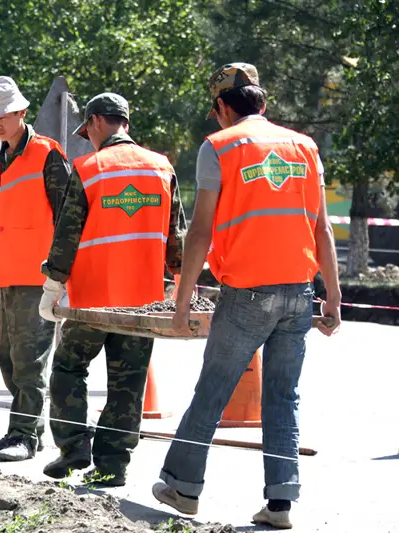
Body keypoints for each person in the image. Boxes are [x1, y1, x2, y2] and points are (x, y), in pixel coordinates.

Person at [151, 63, 342, 529]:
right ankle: (280, 503)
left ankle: (182, 486)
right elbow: (322, 228)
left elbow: (199, 231)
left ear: (222, 107)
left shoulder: (219, 147)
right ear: (263, 103)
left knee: (214, 390)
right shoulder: (304, 147)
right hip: (299, 291)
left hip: (246, 294)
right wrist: (333, 297)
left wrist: (180, 300)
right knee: (282, 397)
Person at [39, 92, 187, 486]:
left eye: (87, 130)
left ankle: (73, 447)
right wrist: (183, 289)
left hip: (92, 300)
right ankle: (111, 465)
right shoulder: (162, 168)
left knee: (69, 367)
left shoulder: (88, 168)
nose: (87, 138)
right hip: (142, 303)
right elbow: (177, 241)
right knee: (129, 381)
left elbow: (67, 235)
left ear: (96, 122)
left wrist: (53, 285)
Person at [0, 76, 72, 462]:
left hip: (38, 274)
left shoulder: (47, 154)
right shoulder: (5, 156)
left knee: (30, 362)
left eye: (3, 115)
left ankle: (25, 436)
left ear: (21, 111)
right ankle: (22, 429)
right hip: (10, 272)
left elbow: (69, 215)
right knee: (9, 358)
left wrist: (61, 274)